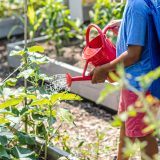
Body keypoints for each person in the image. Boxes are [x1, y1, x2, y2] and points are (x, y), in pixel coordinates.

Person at [89, 0, 159, 159]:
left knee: (145, 135)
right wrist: (126, 24)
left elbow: (133, 54)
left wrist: (104, 69)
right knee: (125, 123)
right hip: (133, 81)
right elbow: (148, 20)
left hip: (139, 85)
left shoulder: (136, 6)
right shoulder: (141, 3)